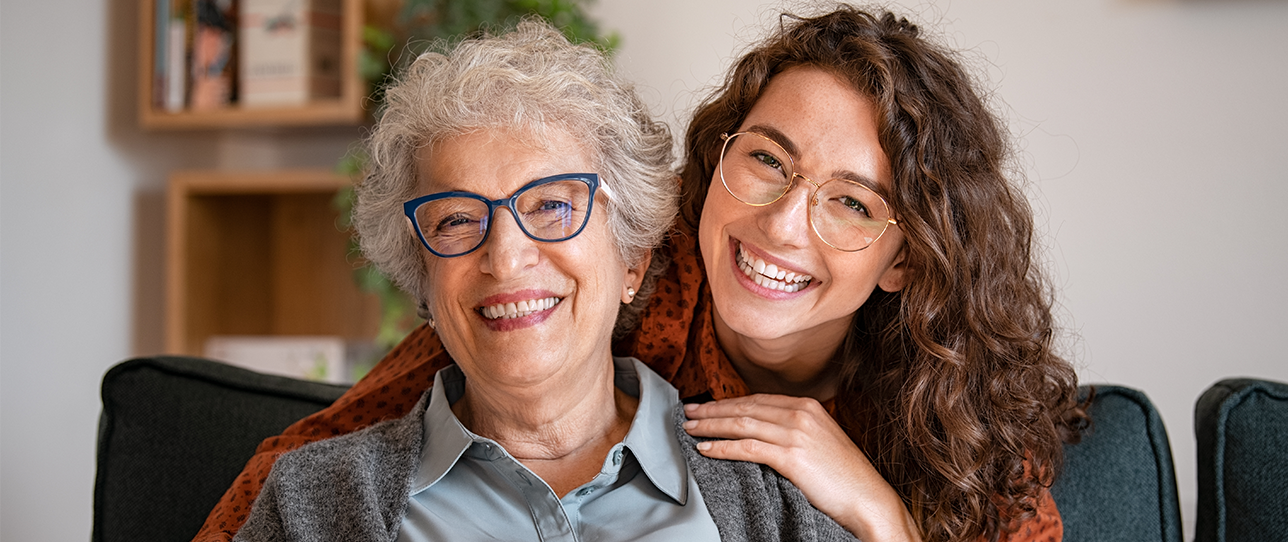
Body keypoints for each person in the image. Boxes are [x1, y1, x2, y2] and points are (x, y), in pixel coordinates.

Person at [196, 7, 1085, 542]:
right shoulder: (618, 294)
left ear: (906, 256)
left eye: (852, 202)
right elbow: (330, 453)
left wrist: (880, 517)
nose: (781, 225)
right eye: (769, 162)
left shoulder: (962, 422)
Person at [228, 19, 855, 542]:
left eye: (553, 206)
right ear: (422, 278)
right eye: (457, 219)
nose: (505, 258)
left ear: (633, 259)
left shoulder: (773, 494)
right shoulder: (313, 503)